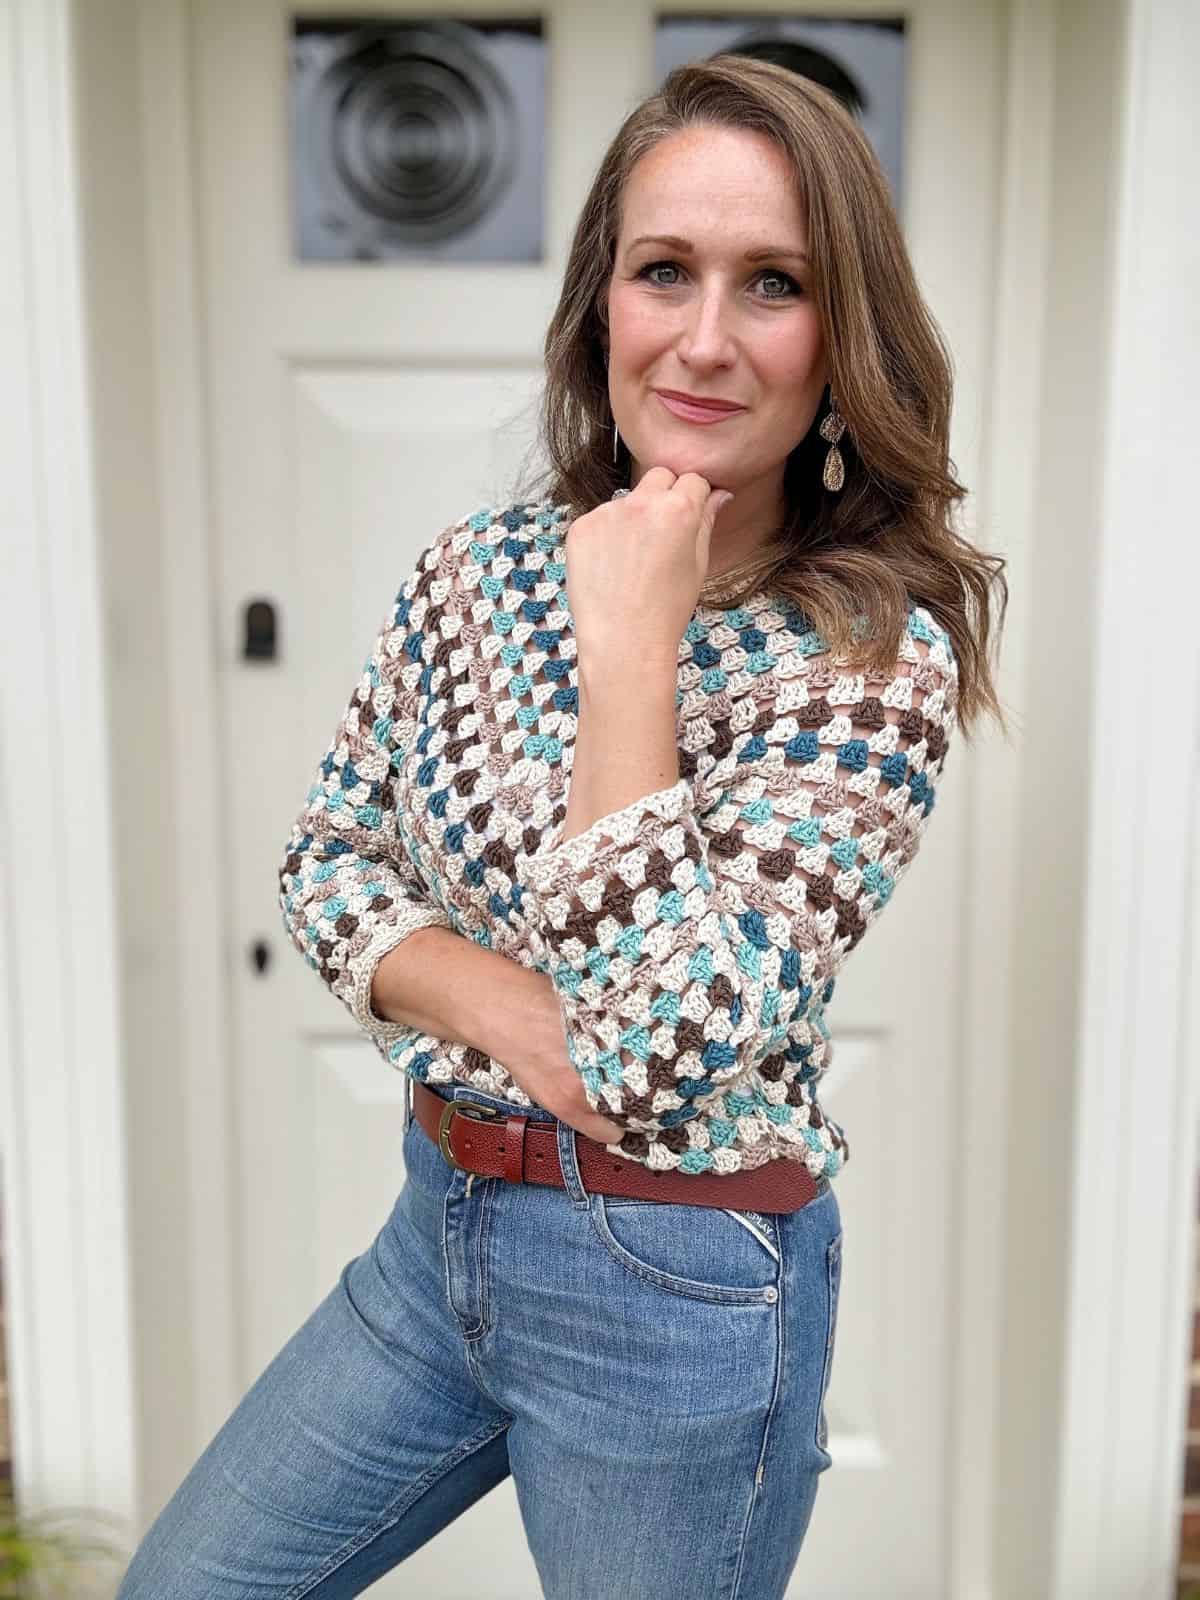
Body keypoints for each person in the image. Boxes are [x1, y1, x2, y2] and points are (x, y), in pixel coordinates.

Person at [117, 53, 1007, 1600]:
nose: (707, 338)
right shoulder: (475, 571)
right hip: (438, 1233)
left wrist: (631, 653)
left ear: (837, 334)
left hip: (676, 1285)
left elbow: (658, 1048)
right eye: (665, 271)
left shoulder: (873, 658)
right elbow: (329, 861)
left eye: (774, 283)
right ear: (605, 298)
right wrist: (512, 1013)